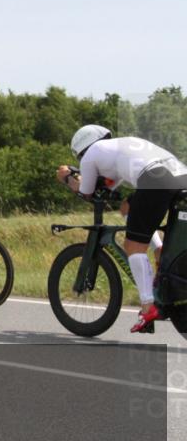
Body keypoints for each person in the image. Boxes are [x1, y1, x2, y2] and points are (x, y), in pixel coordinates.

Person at [57, 125, 187, 333]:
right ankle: (159, 249)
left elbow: (86, 191)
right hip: (180, 176)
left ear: (81, 150)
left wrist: (66, 177)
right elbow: (108, 185)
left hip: (154, 181)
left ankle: (148, 306)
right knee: (127, 206)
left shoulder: (91, 155)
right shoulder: (118, 146)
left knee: (133, 247)